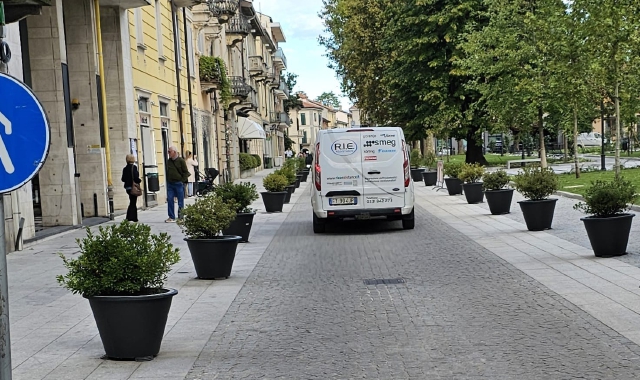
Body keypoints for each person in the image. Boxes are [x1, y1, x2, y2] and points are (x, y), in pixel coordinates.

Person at [166, 145, 189, 222]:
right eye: (168, 151)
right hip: (170, 183)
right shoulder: (168, 161)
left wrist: (182, 181)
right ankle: (171, 217)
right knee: (170, 200)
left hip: (178, 183)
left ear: (174, 152)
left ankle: (180, 217)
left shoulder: (181, 161)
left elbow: (186, 172)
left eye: (169, 152)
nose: (168, 153)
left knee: (180, 201)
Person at [121, 154, 141, 222]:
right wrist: (139, 181)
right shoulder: (134, 167)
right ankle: (133, 218)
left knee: (132, 201)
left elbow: (123, 179)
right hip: (133, 187)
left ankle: (129, 217)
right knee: (133, 203)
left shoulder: (125, 168)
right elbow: (136, 177)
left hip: (127, 188)